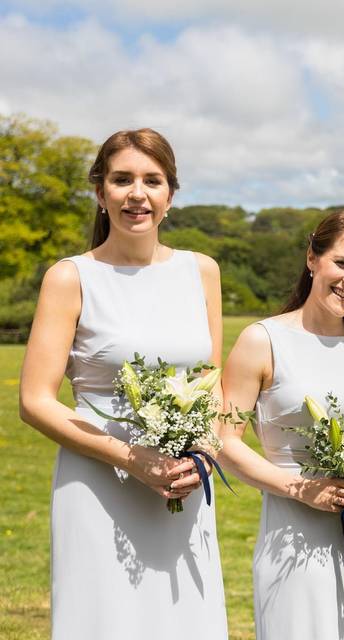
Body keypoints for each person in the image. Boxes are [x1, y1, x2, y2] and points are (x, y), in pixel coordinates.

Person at [19, 128, 227, 639]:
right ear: (100, 191)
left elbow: (209, 379)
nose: (138, 193)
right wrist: (131, 458)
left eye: (152, 180)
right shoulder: (70, 277)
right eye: (122, 179)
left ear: (171, 195)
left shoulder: (202, 271)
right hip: (97, 483)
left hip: (183, 484)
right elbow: (34, 400)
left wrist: (203, 451)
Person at [220, 211, 344, 640]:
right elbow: (223, 441)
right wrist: (300, 488)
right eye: (343, 263)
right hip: (292, 533)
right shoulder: (262, 340)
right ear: (312, 258)